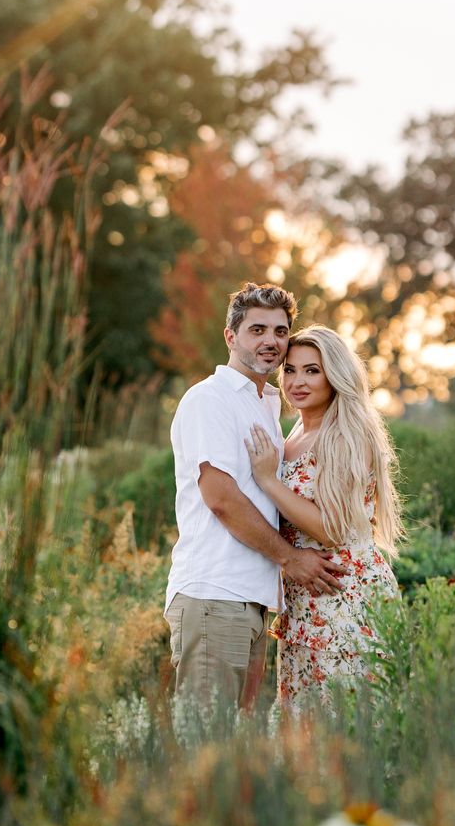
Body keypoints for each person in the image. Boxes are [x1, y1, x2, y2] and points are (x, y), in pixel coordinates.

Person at [165, 285, 347, 718]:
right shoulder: (211, 399)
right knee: (204, 743)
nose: (271, 341)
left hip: (251, 600)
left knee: (231, 750)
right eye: (257, 329)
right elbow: (221, 498)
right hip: (214, 594)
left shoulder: (266, 406)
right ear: (231, 337)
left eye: (281, 331)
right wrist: (291, 559)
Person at [244, 325, 402, 715]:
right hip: (305, 603)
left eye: (312, 371)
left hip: (346, 598)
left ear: (335, 375)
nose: (297, 382)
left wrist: (267, 479)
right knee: (305, 732)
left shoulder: (348, 433)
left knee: (351, 726)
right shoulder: (295, 432)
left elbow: (333, 528)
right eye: (291, 370)